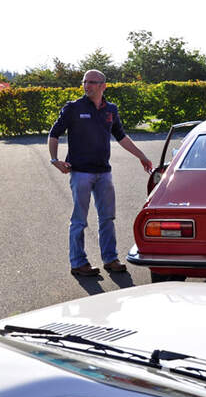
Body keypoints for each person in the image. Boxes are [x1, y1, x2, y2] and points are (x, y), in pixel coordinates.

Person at [49, 70, 153, 276]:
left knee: (107, 218)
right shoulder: (73, 108)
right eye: (85, 82)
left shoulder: (110, 110)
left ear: (103, 86)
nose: (87, 85)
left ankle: (110, 259)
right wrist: (54, 160)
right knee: (79, 220)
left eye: (92, 82)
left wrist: (141, 155)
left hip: (104, 173)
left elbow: (121, 137)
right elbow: (54, 134)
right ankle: (78, 263)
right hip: (80, 173)